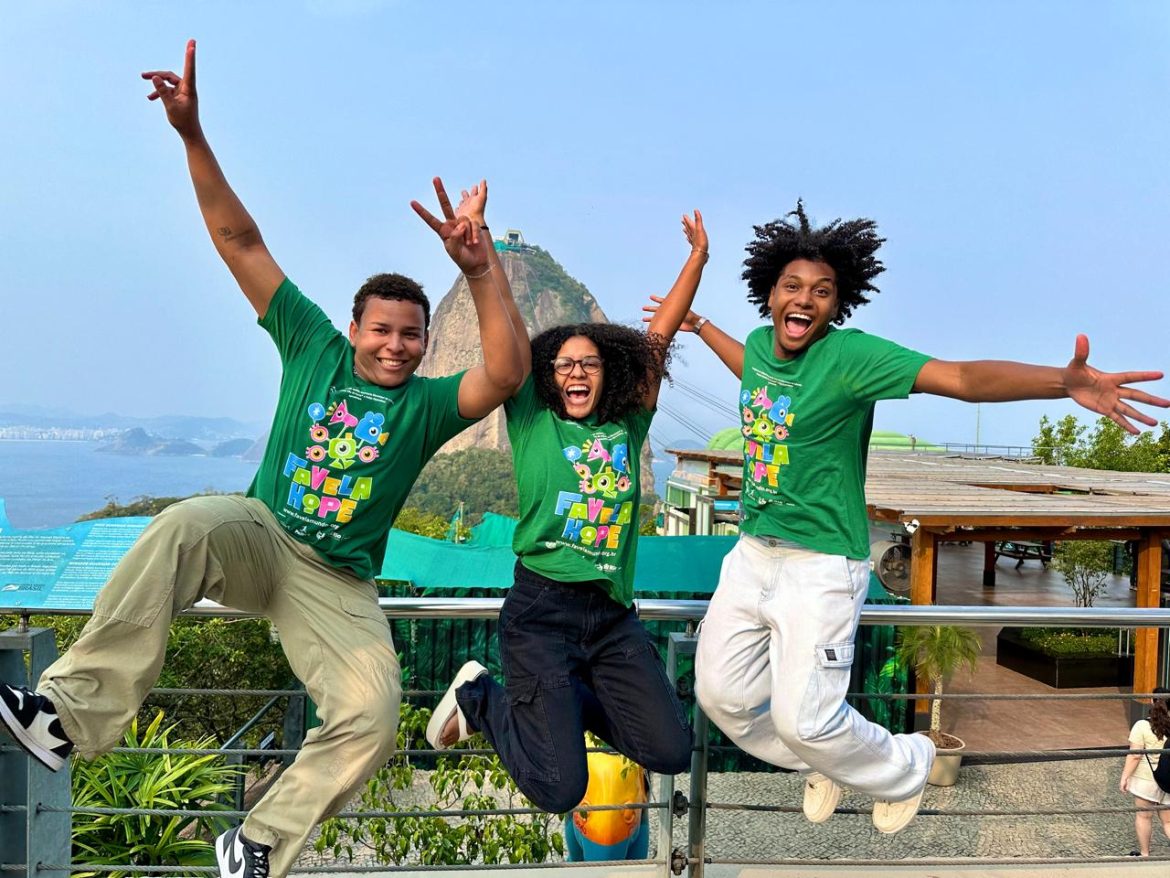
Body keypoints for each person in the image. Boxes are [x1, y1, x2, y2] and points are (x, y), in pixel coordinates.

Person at [0, 40, 524, 878]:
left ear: (426, 344)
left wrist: (482, 264)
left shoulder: (425, 406)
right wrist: (191, 135)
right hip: (261, 534)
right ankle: (64, 717)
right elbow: (240, 240)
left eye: (411, 334)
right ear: (354, 329)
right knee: (183, 524)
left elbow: (504, 372)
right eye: (381, 329)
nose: (395, 345)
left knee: (374, 712)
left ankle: (255, 842)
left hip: (337, 580)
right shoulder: (311, 343)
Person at [645, 200, 1169, 834]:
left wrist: (1061, 383)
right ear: (769, 291)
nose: (804, 299)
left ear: (838, 305)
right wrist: (700, 325)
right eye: (792, 286)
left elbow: (959, 377)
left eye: (821, 291)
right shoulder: (760, 345)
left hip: (820, 566)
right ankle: (832, 762)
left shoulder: (853, 358)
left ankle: (906, 764)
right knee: (722, 698)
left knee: (805, 719)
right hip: (753, 554)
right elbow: (754, 372)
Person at [424, 194, 708, 813]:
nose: (577, 372)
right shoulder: (531, 417)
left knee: (669, 751)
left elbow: (657, 341)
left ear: (609, 374)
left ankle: (560, 704)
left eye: (591, 363)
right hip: (542, 613)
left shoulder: (629, 424)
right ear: (548, 375)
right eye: (564, 364)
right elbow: (506, 327)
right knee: (559, 789)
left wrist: (698, 260)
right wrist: (484, 249)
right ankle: (480, 697)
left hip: (611, 619)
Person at [1120, 688, 1170, 857]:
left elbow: (1135, 756)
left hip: (1145, 781)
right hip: (1168, 780)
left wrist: (1125, 777)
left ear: (1151, 701)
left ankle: (1145, 854)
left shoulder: (1142, 726)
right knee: (1168, 821)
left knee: (1144, 817)